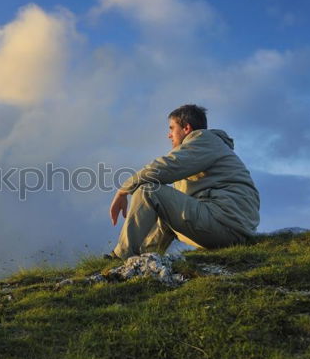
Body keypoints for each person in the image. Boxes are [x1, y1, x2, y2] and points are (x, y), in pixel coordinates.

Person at [108, 104, 259, 260]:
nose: (169, 135)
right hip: (227, 227)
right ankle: (144, 259)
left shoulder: (204, 140)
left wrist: (123, 190)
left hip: (226, 225)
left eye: (172, 128)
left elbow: (166, 167)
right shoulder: (208, 148)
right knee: (165, 210)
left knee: (148, 191)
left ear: (186, 128)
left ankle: (121, 256)